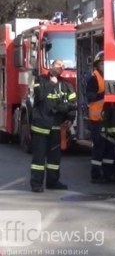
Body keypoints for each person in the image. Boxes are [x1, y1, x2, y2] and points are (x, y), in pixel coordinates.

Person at [30, 59, 77, 192]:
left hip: (56, 127)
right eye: (58, 65)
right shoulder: (40, 80)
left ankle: (53, 182)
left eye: (62, 66)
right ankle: (36, 184)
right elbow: (39, 96)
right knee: (39, 158)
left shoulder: (66, 85)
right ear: (51, 67)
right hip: (41, 126)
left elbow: (73, 103)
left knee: (54, 159)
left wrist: (70, 117)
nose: (60, 68)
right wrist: (51, 84)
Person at [86, 51, 115, 183]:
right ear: (97, 65)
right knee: (99, 147)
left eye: (106, 63)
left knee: (110, 147)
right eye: (102, 63)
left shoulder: (111, 77)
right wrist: (105, 94)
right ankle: (96, 175)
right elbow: (90, 97)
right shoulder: (94, 78)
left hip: (109, 119)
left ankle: (108, 174)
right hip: (97, 120)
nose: (104, 66)